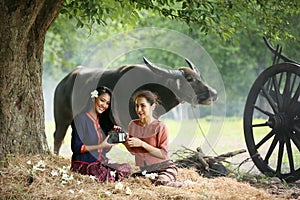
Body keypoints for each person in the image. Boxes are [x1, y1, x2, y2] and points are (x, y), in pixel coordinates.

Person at [70, 86, 131, 182]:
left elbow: (104, 150)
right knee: (107, 176)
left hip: (99, 162)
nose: (104, 105)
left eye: (107, 103)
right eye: (102, 100)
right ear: (94, 98)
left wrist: (112, 138)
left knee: (126, 168)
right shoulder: (81, 119)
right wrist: (100, 145)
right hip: (85, 164)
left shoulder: (102, 121)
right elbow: (76, 148)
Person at [124, 90, 181, 187]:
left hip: (164, 168)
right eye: (137, 106)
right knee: (133, 182)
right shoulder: (133, 125)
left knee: (161, 183)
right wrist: (124, 140)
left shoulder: (160, 127)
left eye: (143, 106)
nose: (138, 109)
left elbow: (163, 154)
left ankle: (186, 185)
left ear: (152, 106)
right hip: (146, 171)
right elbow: (134, 152)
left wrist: (142, 143)